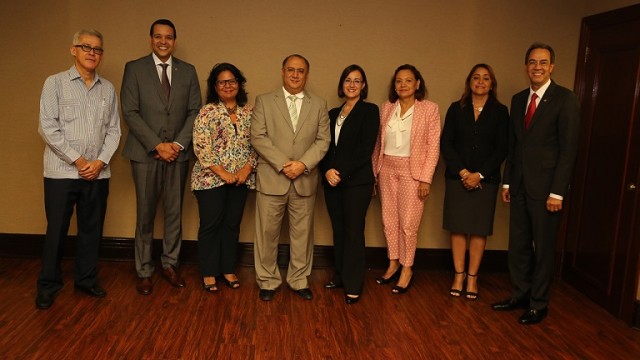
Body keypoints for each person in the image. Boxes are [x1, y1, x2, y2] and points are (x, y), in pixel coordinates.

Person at [492, 43, 580, 325]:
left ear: (552, 66)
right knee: (517, 246)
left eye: (543, 62)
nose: (537, 67)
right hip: (518, 187)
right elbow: (514, 146)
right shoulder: (519, 100)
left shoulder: (565, 99)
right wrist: (507, 184)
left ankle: (539, 303)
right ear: (526, 66)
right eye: (532, 62)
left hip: (547, 192)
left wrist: (557, 192)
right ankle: (520, 294)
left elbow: (568, 151)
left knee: (542, 248)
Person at [36, 29, 121, 309]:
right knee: (57, 230)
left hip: (98, 174)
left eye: (98, 49)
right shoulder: (55, 83)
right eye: (86, 47)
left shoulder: (107, 88)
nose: (92, 53)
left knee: (91, 230)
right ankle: (48, 284)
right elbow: (47, 127)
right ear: (73, 50)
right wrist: (79, 160)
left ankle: (86, 280)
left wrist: (99, 162)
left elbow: (114, 130)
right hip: (61, 173)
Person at [121, 19, 201, 295]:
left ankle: (170, 264)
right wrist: (157, 145)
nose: (163, 41)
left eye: (168, 37)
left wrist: (177, 144)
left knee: (173, 212)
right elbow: (129, 111)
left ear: (174, 40)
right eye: (158, 36)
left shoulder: (188, 71)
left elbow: (194, 112)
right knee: (145, 214)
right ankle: (143, 269)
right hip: (145, 155)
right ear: (151, 39)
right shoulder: (134, 68)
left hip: (177, 155)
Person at [250, 54, 330, 301]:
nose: (295, 75)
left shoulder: (319, 104)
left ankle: (298, 279)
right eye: (291, 70)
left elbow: (323, 140)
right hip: (273, 178)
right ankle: (268, 280)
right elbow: (258, 137)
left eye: (301, 71)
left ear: (307, 74)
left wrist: (302, 164)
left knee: (303, 234)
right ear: (282, 71)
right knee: (266, 234)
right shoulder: (264, 101)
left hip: (304, 179)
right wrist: (285, 165)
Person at [440, 64, 509, 300]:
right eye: (476, 77)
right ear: (469, 82)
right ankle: (458, 275)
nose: (480, 81)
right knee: (458, 228)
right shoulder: (455, 109)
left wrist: (478, 175)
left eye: (486, 78)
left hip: (485, 180)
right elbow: (446, 144)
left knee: (479, 230)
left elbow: (502, 148)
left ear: (492, 84)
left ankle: (472, 278)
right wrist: (463, 173)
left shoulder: (500, 112)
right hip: (457, 178)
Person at [372, 64, 441, 294]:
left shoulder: (429, 109)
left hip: (413, 172)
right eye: (399, 81)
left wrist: (425, 179)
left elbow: (433, 147)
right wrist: (375, 172)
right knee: (389, 221)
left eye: (408, 80)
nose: (403, 85)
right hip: (387, 169)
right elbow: (378, 144)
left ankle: (407, 267)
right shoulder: (386, 108)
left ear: (417, 84)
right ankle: (393, 262)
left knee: (409, 224)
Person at [191, 63, 257, 293]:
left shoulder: (250, 112)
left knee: (232, 226)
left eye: (232, 81)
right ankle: (209, 272)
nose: (227, 85)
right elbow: (201, 147)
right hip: (210, 180)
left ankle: (228, 269)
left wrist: (246, 169)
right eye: (222, 82)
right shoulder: (207, 112)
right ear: (215, 86)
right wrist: (224, 174)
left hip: (241, 179)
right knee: (211, 225)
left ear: (239, 84)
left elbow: (257, 145)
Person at [320, 65, 380, 304]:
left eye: (357, 81)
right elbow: (324, 146)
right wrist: (326, 171)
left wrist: (341, 172)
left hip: (357, 182)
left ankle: (354, 284)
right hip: (331, 181)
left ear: (363, 85)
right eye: (348, 80)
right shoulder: (332, 113)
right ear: (341, 84)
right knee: (339, 230)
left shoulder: (370, 111)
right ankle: (340, 276)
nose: (352, 85)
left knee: (354, 232)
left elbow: (365, 149)